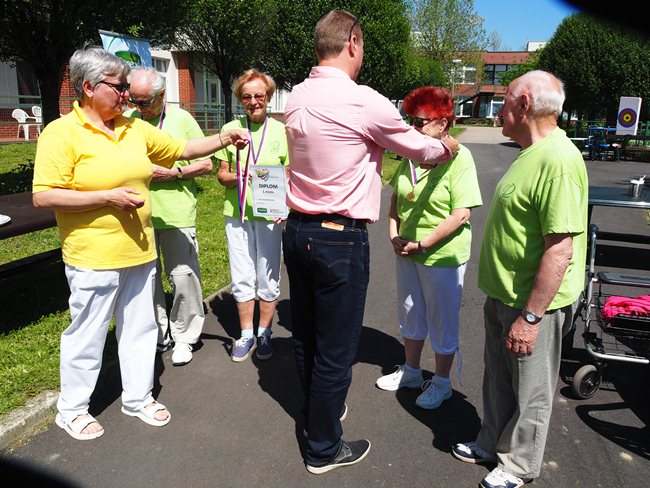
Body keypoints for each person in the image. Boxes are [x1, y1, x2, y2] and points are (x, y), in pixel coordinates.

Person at [32, 46, 248, 441]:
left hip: (139, 250)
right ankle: (72, 409)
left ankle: (138, 397)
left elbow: (182, 149)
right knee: (88, 333)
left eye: (127, 88)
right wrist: (106, 197)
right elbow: (44, 196)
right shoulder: (60, 133)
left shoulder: (133, 128)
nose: (126, 95)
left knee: (140, 329)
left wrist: (223, 136)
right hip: (93, 255)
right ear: (88, 87)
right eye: (118, 87)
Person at [282, 10, 459, 474]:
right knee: (336, 348)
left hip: (297, 229)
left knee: (307, 336)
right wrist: (448, 147)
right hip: (339, 237)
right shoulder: (362, 100)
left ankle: (317, 413)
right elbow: (420, 149)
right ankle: (323, 448)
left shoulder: (296, 96)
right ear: (353, 43)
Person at [451, 70, 588, 488]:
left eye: (506, 101)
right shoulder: (530, 151)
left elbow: (559, 250)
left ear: (524, 104)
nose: (499, 112)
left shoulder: (558, 160)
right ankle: (491, 441)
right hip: (504, 294)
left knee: (531, 392)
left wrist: (530, 318)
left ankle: (518, 465)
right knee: (498, 379)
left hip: (533, 304)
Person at [375, 87, 482, 410]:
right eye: (410, 120)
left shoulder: (460, 158)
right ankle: (411, 371)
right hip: (407, 250)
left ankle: (442, 381)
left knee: (442, 319)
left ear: (443, 123)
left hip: (441, 255)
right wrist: (393, 234)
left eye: (419, 122)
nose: (413, 127)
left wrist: (422, 244)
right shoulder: (412, 156)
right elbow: (396, 200)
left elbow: (461, 213)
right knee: (410, 311)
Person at [128, 67, 212, 367]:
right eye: (134, 100)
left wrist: (174, 172)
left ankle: (185, 336)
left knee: (182, 277)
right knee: (146, 281)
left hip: (176, 214)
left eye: (145, 101)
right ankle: (158, 333)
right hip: (138, 214)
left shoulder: (181, 119)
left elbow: (206, 164)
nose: (139, 107)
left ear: (162, 94)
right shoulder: (129, 120)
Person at [216, 69, 289, 362]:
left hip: (270, 215)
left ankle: (265, 333)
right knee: (242, 274)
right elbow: (221, 175)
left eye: (259, 95)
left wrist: (285, 204)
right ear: (240, 99)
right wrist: (241, 176)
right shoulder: (231, 129)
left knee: (268, 274)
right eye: (247, 97)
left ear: (268, 96)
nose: (254, 101)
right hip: (237, 213)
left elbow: (290, 174)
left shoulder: (281, 131)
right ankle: (246, 334)